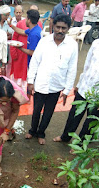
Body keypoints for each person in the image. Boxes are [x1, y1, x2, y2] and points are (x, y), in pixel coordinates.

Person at [53, 18, 99, 143]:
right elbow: (87, 66)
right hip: (84, 89)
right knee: (74, 116)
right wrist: (78, 85)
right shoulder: (97, 43)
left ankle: (81, 143)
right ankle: (65, 137)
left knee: (90, 122)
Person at [26, 14, 78, 145]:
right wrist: (30, 81)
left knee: (48, 113)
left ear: (68, 29)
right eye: (58, 27)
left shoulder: (72, 45)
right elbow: (35, 62)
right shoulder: (44, 41)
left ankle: (41, 132)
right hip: (41, 83)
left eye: (64, 28)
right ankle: (32, 130)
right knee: (36, 110)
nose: (60, 30)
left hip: (56, 86)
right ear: (53, 26)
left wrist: (67, 90)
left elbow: (72, 68)